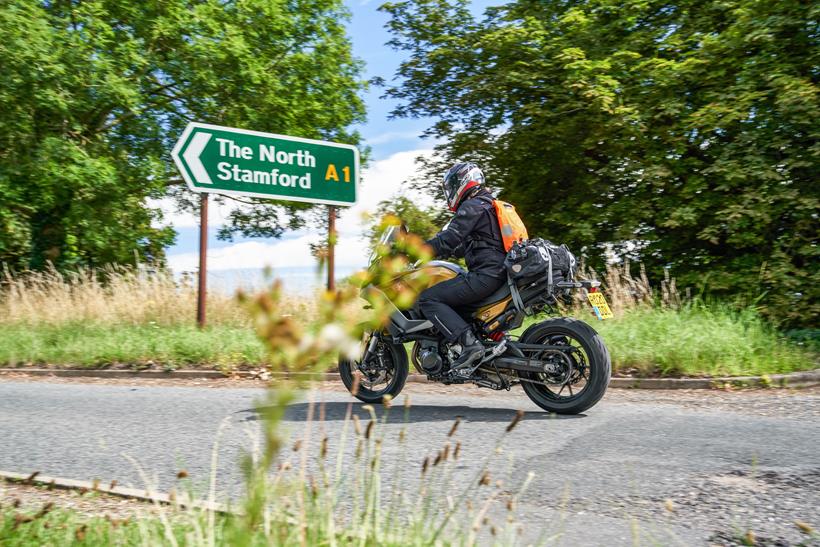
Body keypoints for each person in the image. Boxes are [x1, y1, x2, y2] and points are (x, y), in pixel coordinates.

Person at [418, 162, 507, 371]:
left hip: (486, 275)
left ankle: (469, 345)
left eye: (451, 187)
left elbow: (449, 238)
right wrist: (449, 250)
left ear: (463, 182)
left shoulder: (473, 205)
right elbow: (464, 245)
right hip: (498, 273)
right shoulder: (488, 205)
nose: (449, 193)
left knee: (428, 299)